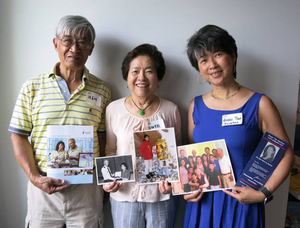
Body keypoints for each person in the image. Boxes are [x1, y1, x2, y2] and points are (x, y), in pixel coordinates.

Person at [183, 25, 294, 228]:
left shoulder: (260, 104)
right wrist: (188, 189)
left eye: (218, 54)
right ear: (198, 68)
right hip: (203, 205)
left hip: (241, 202)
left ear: (233, 56)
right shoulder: (195, 106)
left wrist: (263, 193)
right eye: (204, 60)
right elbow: (192, 157)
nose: (212, 65)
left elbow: (285, 154)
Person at [8, 15, 111, 228]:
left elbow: (103, 138)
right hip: (43, 189)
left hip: (86, 190)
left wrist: (102, 183)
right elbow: (18, 135)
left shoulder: (102, 90)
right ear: (56, 44)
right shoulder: (32, 87)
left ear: (91, 49)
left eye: (82, 42)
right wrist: (35, 177)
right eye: (68, 41)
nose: (75, 49)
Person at [103, 43, 181, 227]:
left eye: (149, 71)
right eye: (135, 71)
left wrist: (171, 181)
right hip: (123, 195)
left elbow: (176, 154)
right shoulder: (113, 109)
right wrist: (108, 182)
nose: (141, 77)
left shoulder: (171, 110)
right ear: (127, 76)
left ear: (158, 76)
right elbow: (111, 149)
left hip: (161, 196)